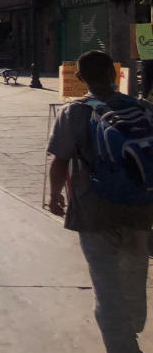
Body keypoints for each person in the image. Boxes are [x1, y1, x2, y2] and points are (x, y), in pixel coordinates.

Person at [48, 49, 153, 353]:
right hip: (140, 208)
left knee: (106, 283)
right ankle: (132, 326)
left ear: (80, 78)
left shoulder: (74, 112)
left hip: (93, 212)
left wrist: (56, 196)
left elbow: (59, 161)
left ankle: (123, 344)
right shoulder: (144, 108)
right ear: (114, 73)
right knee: (134, 274)